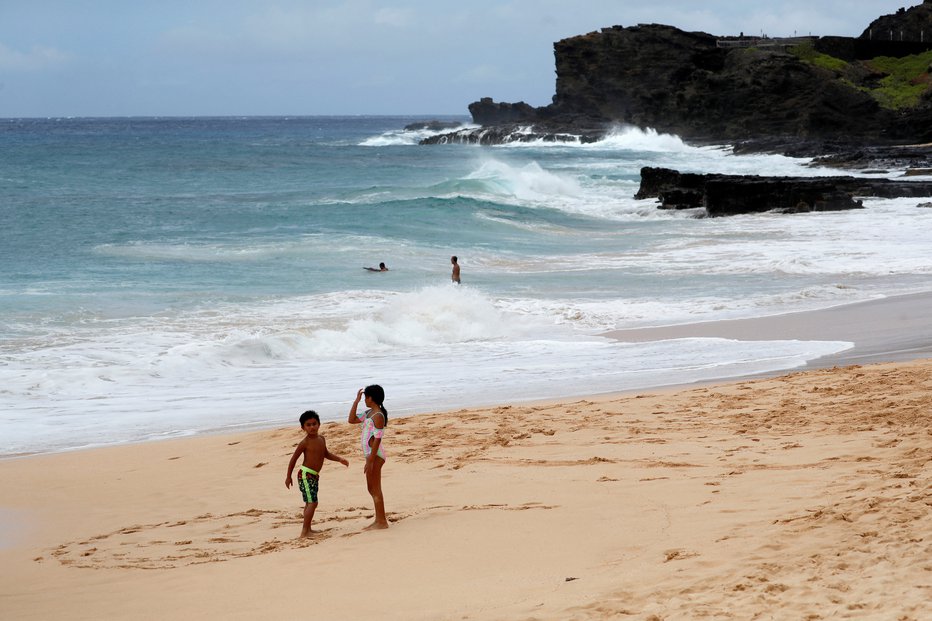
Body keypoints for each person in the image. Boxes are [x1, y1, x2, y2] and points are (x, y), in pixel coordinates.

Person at [285, 410, 349, 538]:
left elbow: (326, 454)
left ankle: (308, 528)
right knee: (312, 503)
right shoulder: (305, 443)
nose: (312, 427)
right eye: (308, 425)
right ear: (303, 428)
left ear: (319, 424)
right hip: (305, 475)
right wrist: (288, 476)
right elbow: (293, 459)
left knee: (310, 502)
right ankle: (305, 532)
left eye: (314, 423)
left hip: (314, 476)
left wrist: (339, 459)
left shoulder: (321, 439)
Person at [347, 385, 389, 530]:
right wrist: (356, 401)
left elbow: (378, 439)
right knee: (371, 488)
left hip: (375, 455)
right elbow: (351, 419)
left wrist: (370, 459)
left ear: (371, 398)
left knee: (375, 488)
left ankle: (381, 521)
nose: (365, 399)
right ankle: (379, 519)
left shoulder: (378, 416)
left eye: (365, 397)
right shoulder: (369, 413)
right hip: (370, 456)